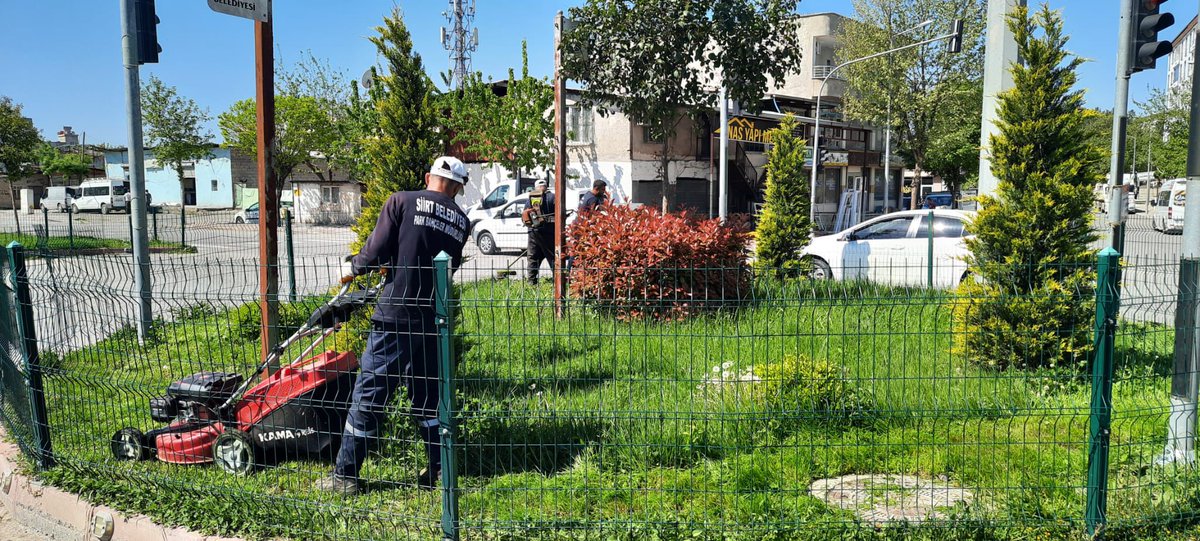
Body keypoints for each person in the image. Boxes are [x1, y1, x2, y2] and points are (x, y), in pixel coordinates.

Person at [316, 156, 471, 495]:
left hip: (395, 316)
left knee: (370, 394)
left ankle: (345, 477)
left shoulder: (401, 200)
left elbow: (374, 252)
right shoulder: (462, 221)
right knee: (429, 399)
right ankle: (440, 472)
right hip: (433, 319)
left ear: (428, 176)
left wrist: (353, 266)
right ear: (458, 187)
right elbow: (446, 267)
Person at [522, 179, 555, 284]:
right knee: (553, 257)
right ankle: (558, 281)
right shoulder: (552, 197)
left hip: (533, 233)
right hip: (549, 232)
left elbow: (525, 215)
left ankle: (531, 282)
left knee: (533, 257)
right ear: (546, 186)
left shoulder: (530, 198)